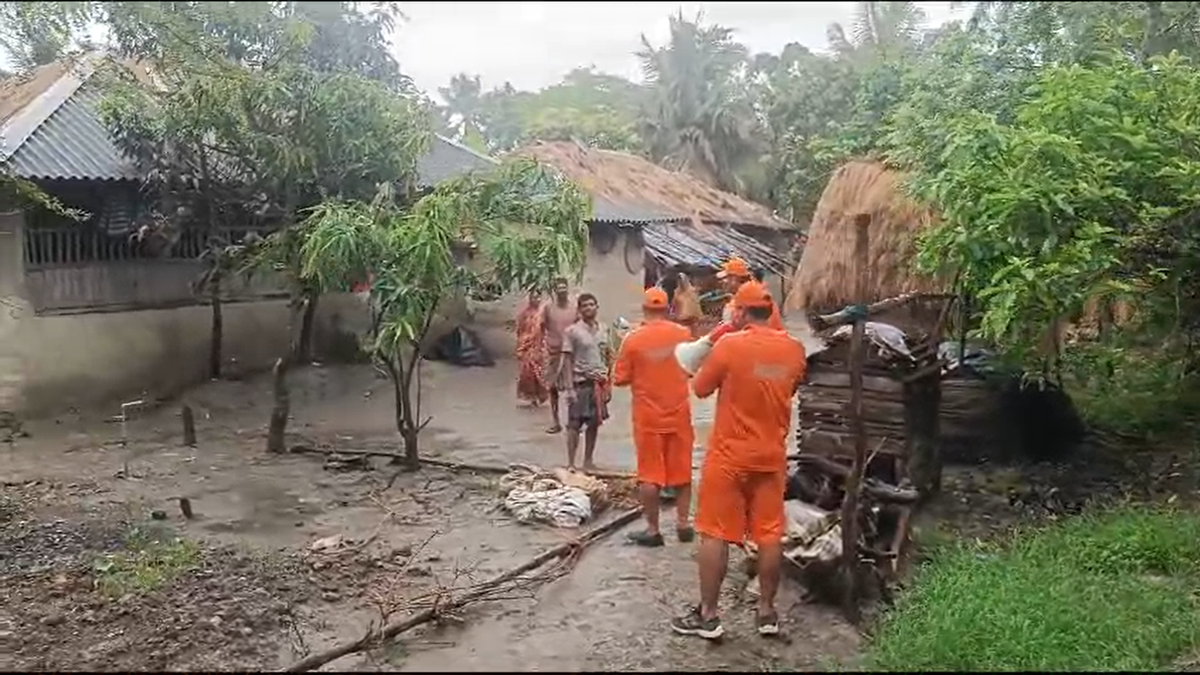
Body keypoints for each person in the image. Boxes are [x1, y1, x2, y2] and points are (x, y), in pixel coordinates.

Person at [671, 281, 807, 641]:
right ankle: (766, 613)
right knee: (769, 534)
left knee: (714, 533)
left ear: (742, 312)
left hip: (729, 457)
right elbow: (788, 388)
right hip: (771, 457)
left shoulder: (731, 345)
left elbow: (699, 388)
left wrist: (717, 343)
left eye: (735, 309)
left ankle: (709, 616)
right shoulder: (795, 350)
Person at [613, 287, 696, 547]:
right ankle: (683, 524)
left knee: (650, 475)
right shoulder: (684, 335)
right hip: (679, 415)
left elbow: (620, 379)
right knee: (682, 471)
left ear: (644, 309)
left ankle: (653, 529)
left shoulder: (633, 340)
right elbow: (693, 370)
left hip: (649, 418)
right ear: (668, 308)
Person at [558, 293, 610, 471]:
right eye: (585, 306)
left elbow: (608, 356)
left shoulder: (604, 329)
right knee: (574, 424)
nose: (589, 308)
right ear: (579, 310)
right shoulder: (572, 331)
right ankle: (571, 462)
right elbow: (566, 360)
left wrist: (608, 383)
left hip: (598, 383)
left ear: (597, 307)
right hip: (580, 382)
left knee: (594, 423)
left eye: (592, 305)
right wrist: (569, 388)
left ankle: (588, 460)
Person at [541, 277, 578, 433]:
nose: (562, 290)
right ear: (554, 291)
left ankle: (573, 420)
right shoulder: (548, 308)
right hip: (553, 351)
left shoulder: (575, 307)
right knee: (552, 388)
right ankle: (555, 421)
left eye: (564, 287)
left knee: (574, 386)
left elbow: (581, 326)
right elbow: (541, 327)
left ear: (567, 289)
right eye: (559, 288)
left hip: (572, 352)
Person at [717, 257, 785, 331]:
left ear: (735, 278)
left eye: (727, 278)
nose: (723, 282)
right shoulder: (747, 293)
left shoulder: (751, 296)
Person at [514, 290, 549, 407]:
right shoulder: (524, 314)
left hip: (540, 346)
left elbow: (548, 330)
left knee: (540, 373)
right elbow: (520, 331)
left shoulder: (544, 313)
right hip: (527, 347)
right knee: (528, 373)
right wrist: (521, 347)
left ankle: (541, 396)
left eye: (538, 297)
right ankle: (531, 397)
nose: (536, 300)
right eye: (533, 298)